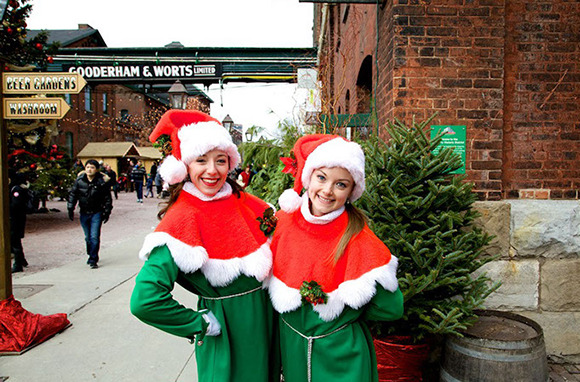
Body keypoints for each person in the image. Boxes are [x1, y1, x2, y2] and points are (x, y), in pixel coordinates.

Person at [130, 110, 279, 382]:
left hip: (271, 330)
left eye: (220, 161)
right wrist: (199, 323)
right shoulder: (181, 220)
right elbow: (145, 301)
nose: (212, 170)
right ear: (185, 166)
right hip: (230, 336)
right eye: (201, 161)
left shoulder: (249, 204)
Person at [267, 134, 404, 382]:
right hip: (294, 353)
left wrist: (343, 313)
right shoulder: (284, 223)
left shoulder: (358, 238)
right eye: (321, 178)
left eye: (341, 184)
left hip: (342, 356)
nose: (327, 191)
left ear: (352, 191)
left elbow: (391, 308)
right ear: (308, 178)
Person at [68, 159, 113, 269]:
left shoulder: (101, 182)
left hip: (96, 212)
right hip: (84, 212)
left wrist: (107, 211)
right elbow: (73, 194)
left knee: (94, 236)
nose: (89, 169)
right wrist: (70, 208)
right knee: (88, 237)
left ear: (96, 170)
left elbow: (107, 198)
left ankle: (93, 258)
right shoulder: (80, 181)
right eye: (88, 167)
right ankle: (91, 252)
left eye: (92, 167)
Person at [9, 171, 29, 273]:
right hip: (16, 219)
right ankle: (21, 260)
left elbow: (15, 205)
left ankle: (18, 264)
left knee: (14, 240)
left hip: (15, 219)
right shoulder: (16, 188)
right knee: (15, 240)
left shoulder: (16, 189)